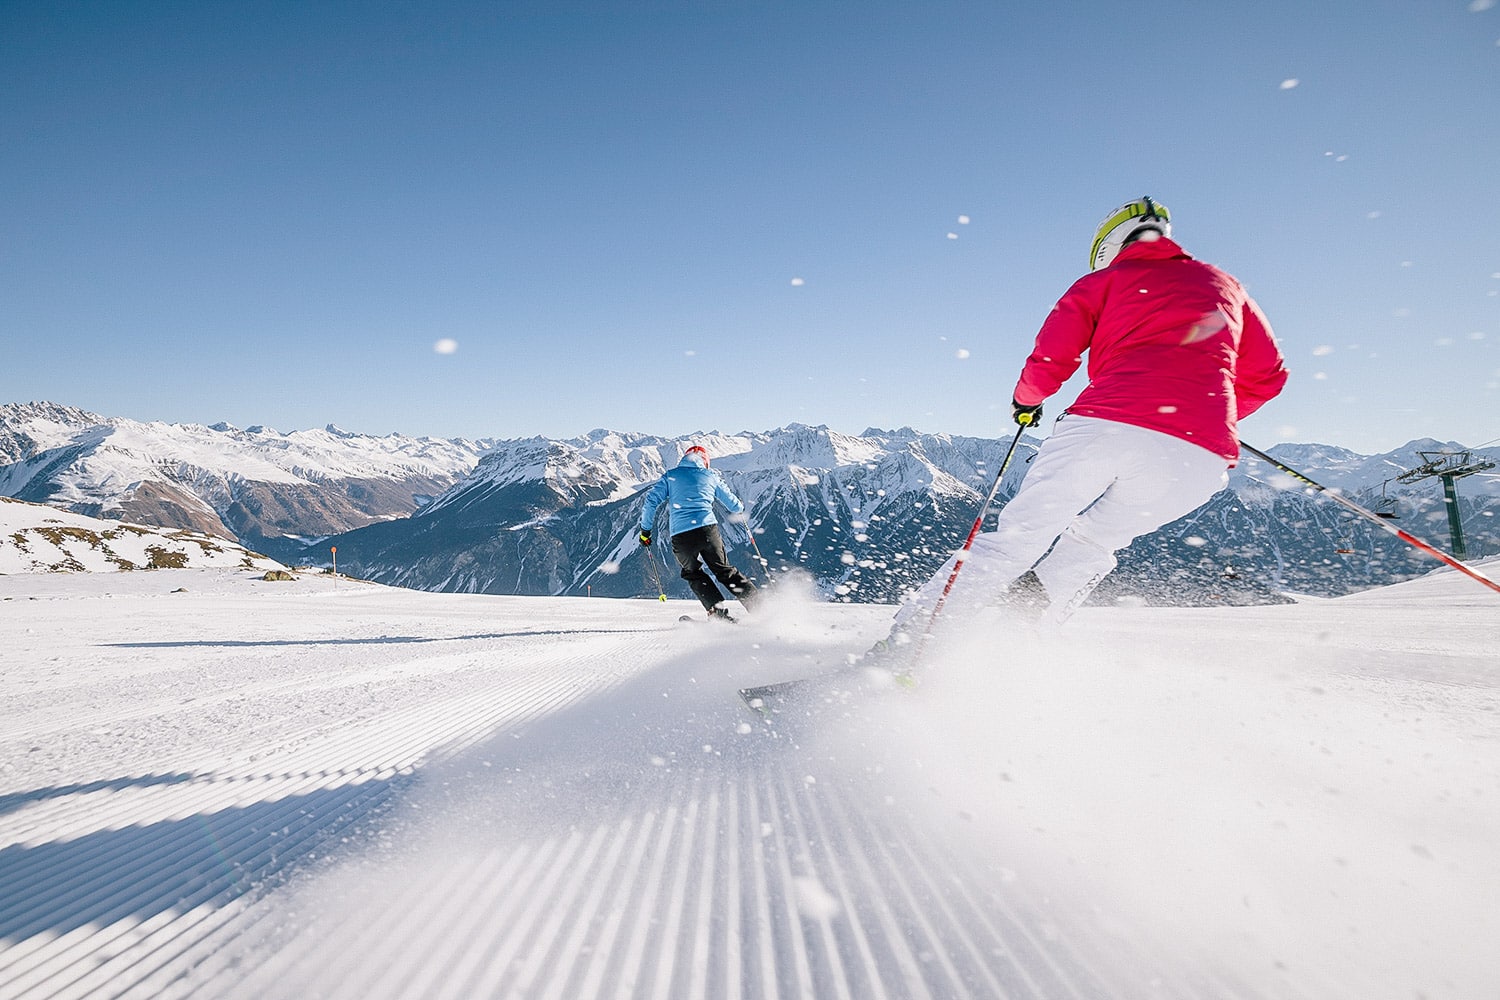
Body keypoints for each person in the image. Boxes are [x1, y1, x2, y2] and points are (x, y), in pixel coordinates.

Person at [892, 195, 1288, 641]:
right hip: (1200, 457)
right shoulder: (1227, 286)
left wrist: (1027, 401)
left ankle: (905, 646)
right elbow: (1269, 377)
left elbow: (1051, 356)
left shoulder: (1104, 281)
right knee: (1092, 545)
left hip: (1107, 423)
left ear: (1110, 241)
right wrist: (1209, 412)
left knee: (1015, 542)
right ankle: (1010, 649)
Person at [639, 444, 760, 620]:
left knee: (692, 572)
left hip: (681, 536)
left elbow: (650, 502)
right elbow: (735, 506)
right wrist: (740, 506)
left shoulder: (671, 476)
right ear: (705, 462)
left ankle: (716, 613)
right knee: (725, 571)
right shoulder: (710, 476)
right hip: (707, 531)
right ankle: (759, 607)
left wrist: (645, 532)